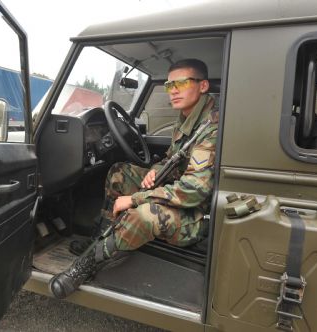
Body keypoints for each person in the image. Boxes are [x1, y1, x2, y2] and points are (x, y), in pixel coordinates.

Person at [49, 58, 219, 299]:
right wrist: (156, 170)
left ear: (203, 86)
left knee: (143, 214)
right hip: (183, 195)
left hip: (199, 213)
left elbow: (194, 189)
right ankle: (102, 241)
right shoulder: (188, 118)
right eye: (170, 86)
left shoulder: (210, 127)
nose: (174, 91)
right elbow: (173, 158)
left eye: (181, 83)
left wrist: (135, 199)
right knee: (120, 171)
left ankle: (87, 265)